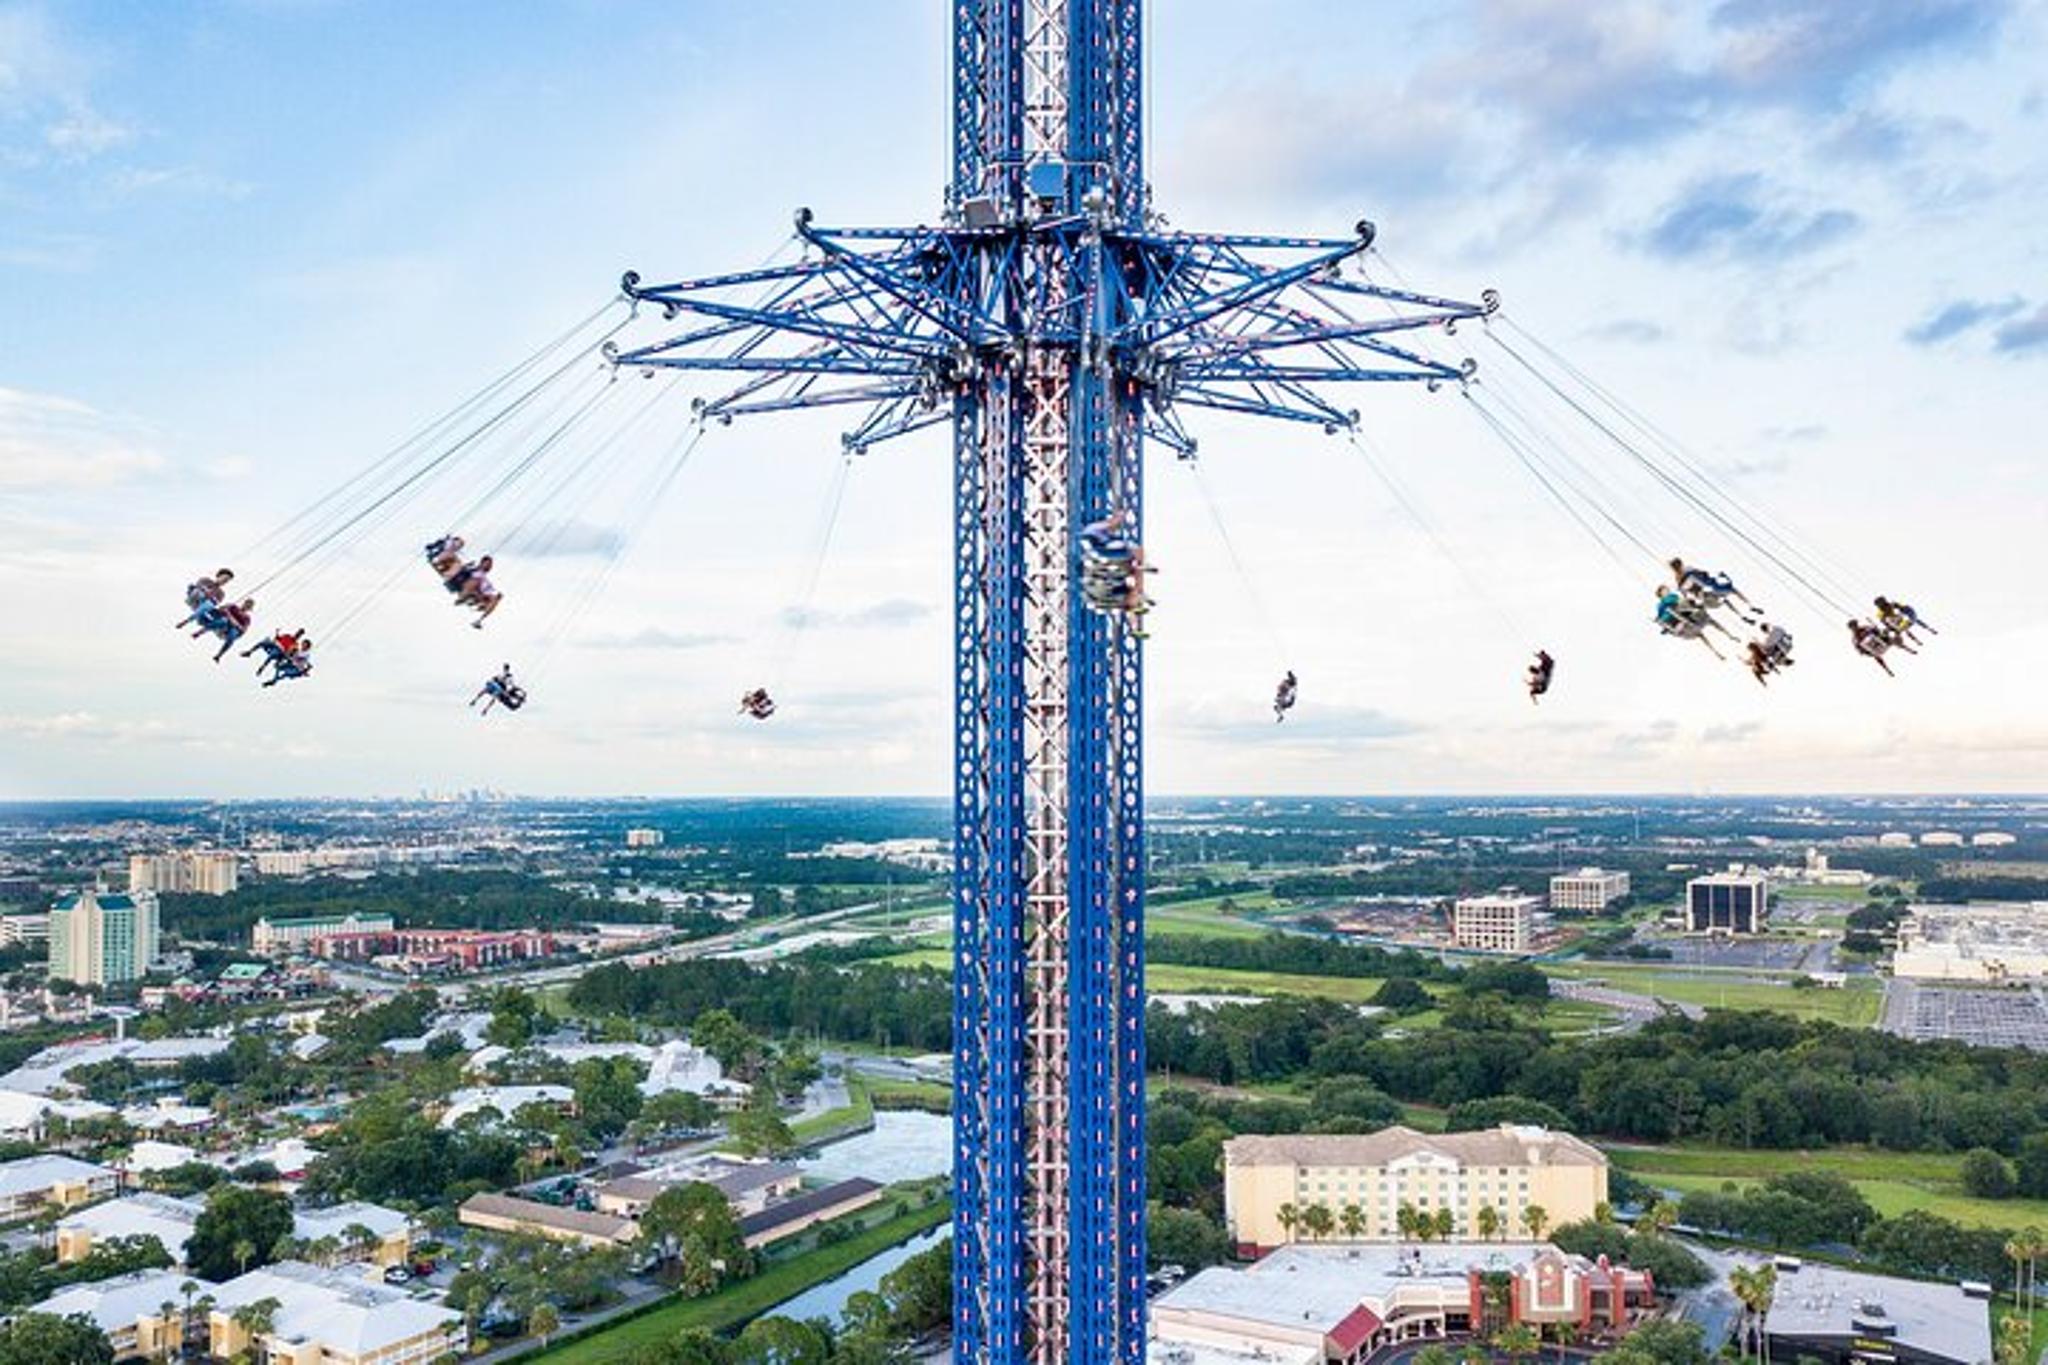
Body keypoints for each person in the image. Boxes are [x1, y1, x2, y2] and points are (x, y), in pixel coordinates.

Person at [195, 598, 255, 662]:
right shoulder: (233, 606)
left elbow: (243, 630)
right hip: (224, 624)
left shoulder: (247, 618)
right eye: (246, 604)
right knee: (223, 621)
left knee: (232, 635)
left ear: (249, 609)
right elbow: (220, 609)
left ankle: (219, 655)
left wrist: (235, 623)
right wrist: (225, 608)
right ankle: (200, 632)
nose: (246, 607)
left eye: (248, 606)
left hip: (231, 629)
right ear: (244, 603)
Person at [242, 626, 306, 677]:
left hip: (280, 651)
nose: (297, 635)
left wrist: (289, 653)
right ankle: (249, 652)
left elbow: (291, 654)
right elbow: (278, 638)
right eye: (297, 633)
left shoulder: (295, 645)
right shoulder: (287, 636)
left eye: (299, 635)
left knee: (272, 655)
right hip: (275, 645)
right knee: (263, 643)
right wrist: (277, 632)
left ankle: (262, 668)